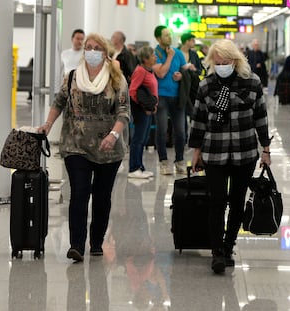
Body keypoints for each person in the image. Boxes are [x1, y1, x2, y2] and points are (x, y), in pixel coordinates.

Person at [38, 33, 130, 262]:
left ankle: (97, 242)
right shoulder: (72, 77)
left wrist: (114, 134)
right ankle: (77, 245)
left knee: (102, 196)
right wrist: (48, 124)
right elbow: (59, 102)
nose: (91, 51)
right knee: (79, 193)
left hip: (108, 146)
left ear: (105, 53)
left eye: (96, 48)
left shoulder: (116, 79)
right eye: (88, 47)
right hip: (75, 143)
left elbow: (123, 112)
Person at [188, 39, 272, 274]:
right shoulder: (206, 85)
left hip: (245, 153)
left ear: (235, 60)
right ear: (213, 62)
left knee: (237, 202)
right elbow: (199, 120)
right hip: (214, 152)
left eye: (226, 61)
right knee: (216, 201)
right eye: (218, 62)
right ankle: (216, 252)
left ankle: (228, 246)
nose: (222, 65)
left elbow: (261, 118)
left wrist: (266, 150)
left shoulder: (252, 82)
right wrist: (196, 152)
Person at [153, 25, 189, 175]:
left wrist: (181, 76)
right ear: (158, 38)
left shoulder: (179, 53)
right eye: (166, 35)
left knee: (180, 131)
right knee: (162, 130)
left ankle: (180, 160)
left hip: (177, 97)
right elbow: (160, 73)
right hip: (161, 96)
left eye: (170, 34)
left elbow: (186, 71)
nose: (169, 37)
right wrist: (169, 56)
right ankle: (163, 161)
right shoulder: (154, 53)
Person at [128, 46, 158, 179]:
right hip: (142, 111)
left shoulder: (150, 71)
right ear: (145, 59)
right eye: (153, 55)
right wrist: (144, 106)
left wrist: (152, 105)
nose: (155, 57)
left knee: (144, 139)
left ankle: (140, 166)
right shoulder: (140, 71)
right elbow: (132, 91)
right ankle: (133, 168)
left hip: (149, 110)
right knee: (138, 139)